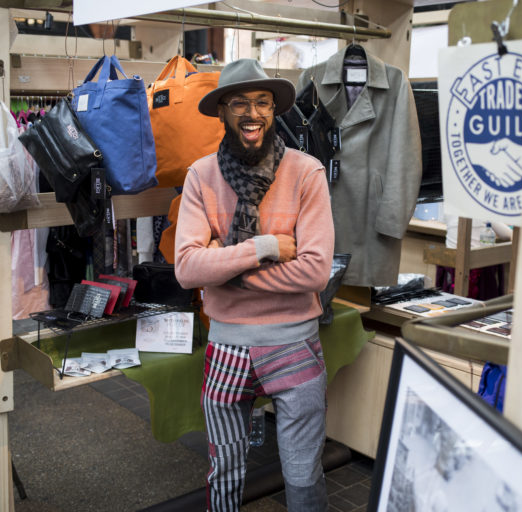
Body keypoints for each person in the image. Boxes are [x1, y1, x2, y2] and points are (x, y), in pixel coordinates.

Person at [174, 59, 334, 511]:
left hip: (294, 343)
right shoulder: (200, 176)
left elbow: (315, 272)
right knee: (223, 472)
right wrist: (264, 247)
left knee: (303, 472)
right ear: (222, 111)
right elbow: (186, 269)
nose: (253, 113)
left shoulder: (306, 172)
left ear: (273, 110)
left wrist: (224, 270)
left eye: (263, 102)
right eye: (240, 103)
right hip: (226, 345)